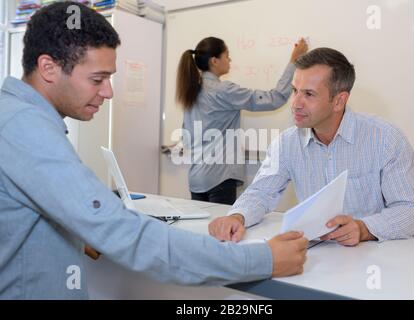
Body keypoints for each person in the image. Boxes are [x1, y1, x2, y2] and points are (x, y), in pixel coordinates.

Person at [0, 2, 308, 299]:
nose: (108, 92)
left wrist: (79, 234)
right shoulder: (24, 129)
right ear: (48, 67)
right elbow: (132, 237)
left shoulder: (16, 117)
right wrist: (262, 260)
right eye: (98, 79)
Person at [208, 47, 414, 246]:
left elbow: (412, 212)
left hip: (374, 259)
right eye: (295, 91)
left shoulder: (386, 138)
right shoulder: (287, 143)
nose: (295, 103)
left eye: (309, 94)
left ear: (339, 101)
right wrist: (237, 216)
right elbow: (260, 193)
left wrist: (364, 228)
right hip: (315, 258)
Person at [176, 36, 308, 205]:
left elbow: (186, 136)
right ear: (214, 61)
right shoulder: (223, 90)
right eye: (227, 55)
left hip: (196, 179)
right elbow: (275, 98)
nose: (229, 59)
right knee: (221, 229)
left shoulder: (191, 91)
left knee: (204, 229)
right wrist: (294, 62)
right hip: (219, 178)